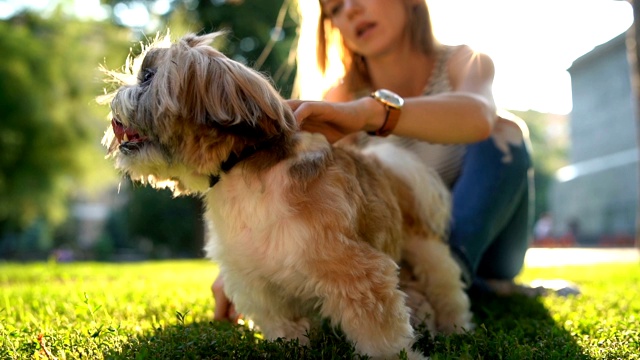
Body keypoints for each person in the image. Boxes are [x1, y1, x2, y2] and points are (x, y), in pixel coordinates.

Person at [212, 0, 535, 321]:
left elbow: (478, 115)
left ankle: (456, 277)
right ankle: (442, 288)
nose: (350, 10)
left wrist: (368, 113)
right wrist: (246, 263)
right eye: (335, 8)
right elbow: (309, 198)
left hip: (489, 244)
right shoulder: (340, 97)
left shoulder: (465, 61)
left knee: (504, 132)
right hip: (403, 249)